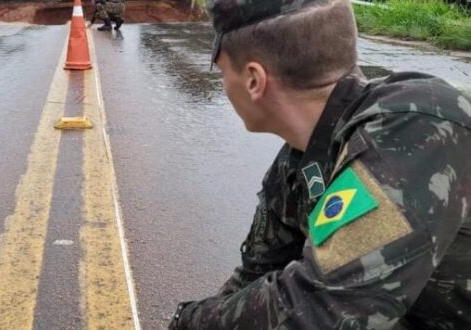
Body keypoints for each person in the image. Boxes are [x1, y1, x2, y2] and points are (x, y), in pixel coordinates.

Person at [168, 0, 471, 329]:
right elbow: (254, 283)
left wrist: (187, 322)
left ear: (254, 80)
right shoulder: (295, 170)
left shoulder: (418, 124)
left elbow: (321, 309)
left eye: (221, 69)